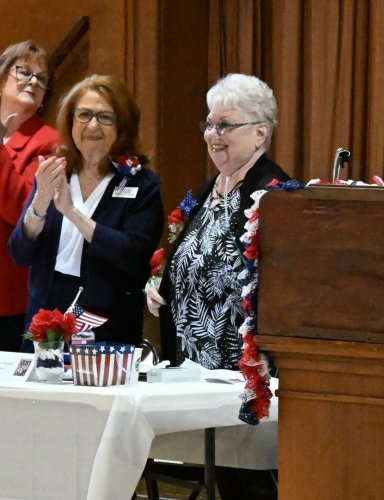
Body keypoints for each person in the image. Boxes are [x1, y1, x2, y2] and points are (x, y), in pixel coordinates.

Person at [146, 73, 289, 500]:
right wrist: (160, 281)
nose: (213, 135)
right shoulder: (207, 191)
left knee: (249, 484)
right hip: (197, 371)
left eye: (225, 125)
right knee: (220, 480)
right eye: (209, 124)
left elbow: (281, 285)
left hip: (244, 376)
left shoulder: (277, 196)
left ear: (260, 132)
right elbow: (176, 251)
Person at [9, 74, 164, 351]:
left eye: (105, 117)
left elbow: (133, 255)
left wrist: (72, 213)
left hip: (106, 324)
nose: (93, 125)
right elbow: (20, 253)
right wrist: (41, 201)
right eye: (84, 115)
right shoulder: (55, 171)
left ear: (122, 126)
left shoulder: (140, 182)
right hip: (45, 314)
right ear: (71, 122)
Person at [0, 40, 59, 351]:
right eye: (24, 71)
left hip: (8, 298)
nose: (33, 81)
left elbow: (20, 212)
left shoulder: (47, 142)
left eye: (42, 78)